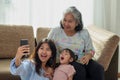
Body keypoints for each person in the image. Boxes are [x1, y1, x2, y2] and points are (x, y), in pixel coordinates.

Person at [47, 6, 104, 80]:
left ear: (77, 23)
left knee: (99, 69)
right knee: (79, 70)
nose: (66, 23)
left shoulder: (84, 33)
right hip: (63, 62)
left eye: (70, 21)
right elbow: (46, 46)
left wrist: (88, 56)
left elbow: (91, 50)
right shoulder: (55, 32)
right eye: (64, 20)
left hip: (82, 60)